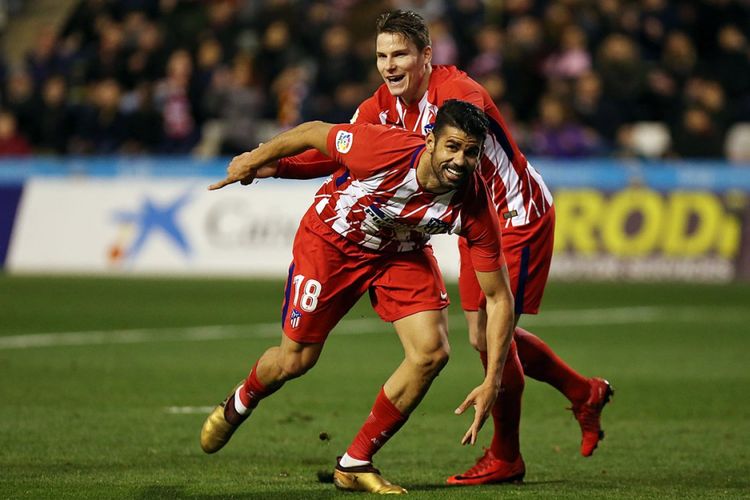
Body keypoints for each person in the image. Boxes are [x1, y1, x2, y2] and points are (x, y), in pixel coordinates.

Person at [273, 10, 613, 485]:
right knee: (484, 337)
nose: (390, 66)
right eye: (382, 56)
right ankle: (582, 392)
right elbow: (336, 151)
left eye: (401, 55)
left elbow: (473, 129)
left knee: (488, 336)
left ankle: (506, 455)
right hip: (476, 219)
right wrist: (275, 166)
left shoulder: (458, 97)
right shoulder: (384, 105)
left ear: (426, 57)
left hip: (514, 215)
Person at [201, 100, 516, 494]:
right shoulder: (381, 148)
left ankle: (355, 462)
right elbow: (311, 131)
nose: (459, 160)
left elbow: (499, 298)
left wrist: (492, 380)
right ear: (430, 141)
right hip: (333, 241)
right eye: (451, 146)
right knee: (295, 360)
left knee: (431, 353)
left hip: (400, 252)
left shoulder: (474, 206)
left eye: (471, 152)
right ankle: (242, 400)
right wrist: (254, 159)